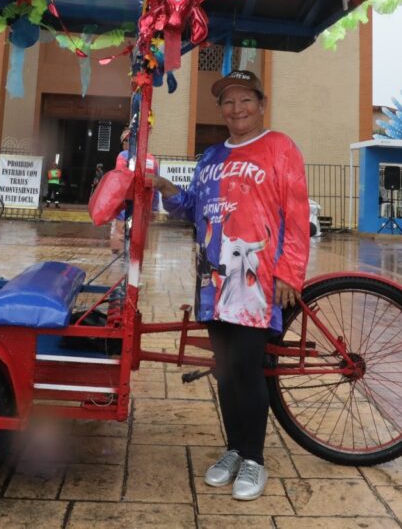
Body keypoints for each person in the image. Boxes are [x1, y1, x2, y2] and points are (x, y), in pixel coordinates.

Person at [151, 69, 309, 501]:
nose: (236, 109)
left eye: (245, 100)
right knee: (224, 370)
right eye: (228, 102)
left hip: (257, 279)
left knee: (244, 367)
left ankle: (254, 459)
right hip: (212, 281)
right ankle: (234, 450)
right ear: (220, 109)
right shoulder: (210, 157)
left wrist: (289, 273)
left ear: (260, 104)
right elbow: (190, 209)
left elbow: (296, 218)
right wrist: (166, 188)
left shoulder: (280, 148)